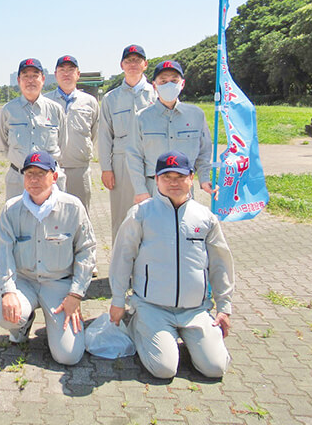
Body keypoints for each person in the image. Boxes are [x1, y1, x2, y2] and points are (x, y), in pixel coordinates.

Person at [109, 151, 234, 379]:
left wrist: (224, 307)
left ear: (191, 178)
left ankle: (189, 339)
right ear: (156, 179)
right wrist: (118, 301)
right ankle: (139, 325)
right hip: (152, 307)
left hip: (195, 310)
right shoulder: (141, 214)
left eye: (180, 176)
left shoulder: (205, 217)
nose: (173, 183)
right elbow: (122, 258)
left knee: (215, 368)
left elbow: (220, 264)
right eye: (167, 177)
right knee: (164, 369)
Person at [0, 150, 96, 365]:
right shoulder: (11, 209)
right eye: (29, 173)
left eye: (41, 173)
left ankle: (55, 324)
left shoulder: (73, 207)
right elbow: (4, 256)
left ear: (54, 177)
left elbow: (86, 251)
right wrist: (8, 292)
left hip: (58, 285)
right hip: (25, 282)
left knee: (68, 356)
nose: (34, 179)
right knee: (6, 315)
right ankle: (23, 322)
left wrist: (76, 294)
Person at [126, 60, 213, 205]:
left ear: (182, 83)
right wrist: (140, 189)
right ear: (155, 85)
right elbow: (133, 155)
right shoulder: (141, 117)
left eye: (174, 80)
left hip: (185, 188)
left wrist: (204, 179)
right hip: (153, 188)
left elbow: (204, 152)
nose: (169, 85)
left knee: (185, 226)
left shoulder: (196, 115)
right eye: (163, 81)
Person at [98, 45, 156, 243]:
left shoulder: (157, 94)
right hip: (121, 162)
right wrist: (106, 168)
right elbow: (105, 136)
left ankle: (148, 266)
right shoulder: (111, 98)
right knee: (122, 216)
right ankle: (120, 269)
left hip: (151, 162)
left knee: (151, 215)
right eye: (128, 60)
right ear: (121, 65)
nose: (133, 64)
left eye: (137, 60)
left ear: (145, 64)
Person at [0, 58, 67, 199]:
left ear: (42, 79)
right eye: (25, 76)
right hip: (18, 178)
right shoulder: (8, 110)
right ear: (19, 80)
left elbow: (63, 144)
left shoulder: (55, 110)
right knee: (17, 219)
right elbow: (3, 145)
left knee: (53, 219)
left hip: (49, 180)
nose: (30, 80)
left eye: (35, 75)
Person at [44, 55, 100, 211]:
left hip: (79, 169)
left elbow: (94, 132)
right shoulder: (45, 102)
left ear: (78, 74)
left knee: (81, 213)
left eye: (71, 70)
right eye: (62, 70)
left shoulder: (90, 102)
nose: (66, 74)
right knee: (53, 214)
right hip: (52, 169)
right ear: (55, 74)